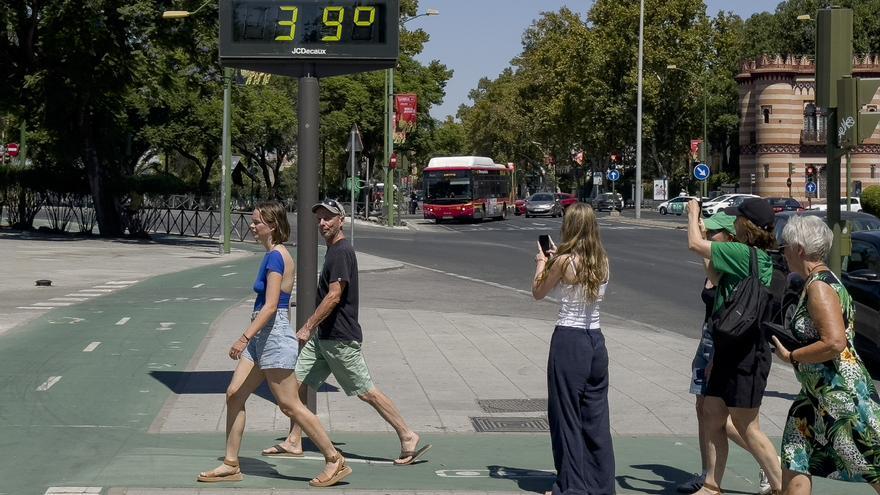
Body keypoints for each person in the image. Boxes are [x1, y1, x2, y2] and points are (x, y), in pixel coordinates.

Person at [262, 199, 431, 465]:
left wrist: (307, 326)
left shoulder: (341, 252)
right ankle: (294, 440)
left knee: (365, 391)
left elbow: (334, 296)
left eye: (328, 217)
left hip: (340, 338)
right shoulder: (333, 250)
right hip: (324, 339)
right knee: (297, 384)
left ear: (342, 220)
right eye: (319, 218)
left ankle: (407, 434)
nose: (323, 223)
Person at [197, 201, 351, 487]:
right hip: (262, 336)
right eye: (252, 221)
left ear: (273, 226)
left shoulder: (276, 258)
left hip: (273, 334)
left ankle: (334, 459)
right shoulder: (274, 255)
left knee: (289, 405)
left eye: (256, 222)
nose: (251, 226)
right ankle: (231, 464)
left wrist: (243, 338)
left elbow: (270, 307)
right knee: (234, 395)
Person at [772, 215, 880, 494]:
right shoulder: (816, 282)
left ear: (798, 249)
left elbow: (834, 342)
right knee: (796, 457)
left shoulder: (820, 286)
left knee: (873, 467)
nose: (782, 252)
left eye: (784, 245)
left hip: (839, 398)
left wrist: (792, 356)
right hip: (814, 396)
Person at [685, 198, 782, 495]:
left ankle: (784, 485)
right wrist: (703, 233)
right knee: (712, 413)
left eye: (738, 218)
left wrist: (692, 216)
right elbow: (713, 276)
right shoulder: (749, 255)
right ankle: (712, 486)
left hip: (746, 353)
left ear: (746, 225)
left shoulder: (742, 252)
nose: (735, 222)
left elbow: (693, 245)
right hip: (728, 346)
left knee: (746, 426)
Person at [532, 203, 615, 495]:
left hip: (569, 340)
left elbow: (538, 292)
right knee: (596, 417)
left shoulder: (563, 261)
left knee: (565, 415)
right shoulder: (602, 260)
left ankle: (572, 485)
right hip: (596, 340)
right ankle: (601, 485)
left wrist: (542, 262)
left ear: (569, 227)